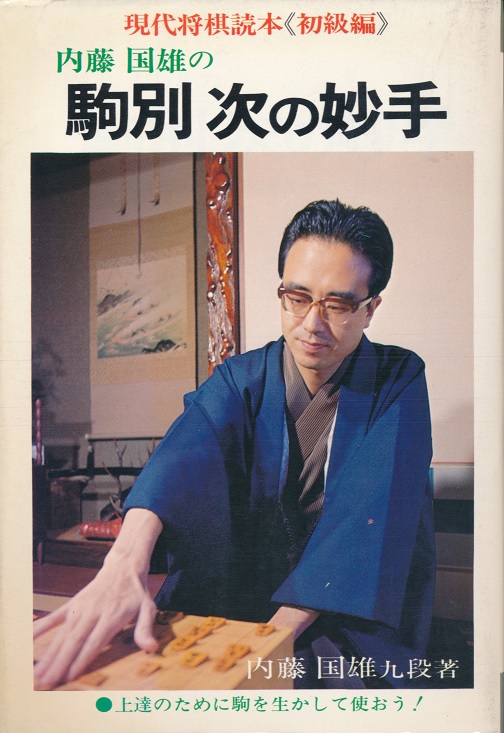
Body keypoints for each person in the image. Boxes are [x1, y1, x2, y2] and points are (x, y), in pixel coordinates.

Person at [34, 199, 435, 690]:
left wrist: (259, 650)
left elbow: (370, 516)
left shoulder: (398, 378)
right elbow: (181, 457)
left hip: (343, 614)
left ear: (371, 309)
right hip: (241, 599)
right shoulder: (241, 379)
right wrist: (122, 564)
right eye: (297, 297)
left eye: (337, 305)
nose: (312, 323)